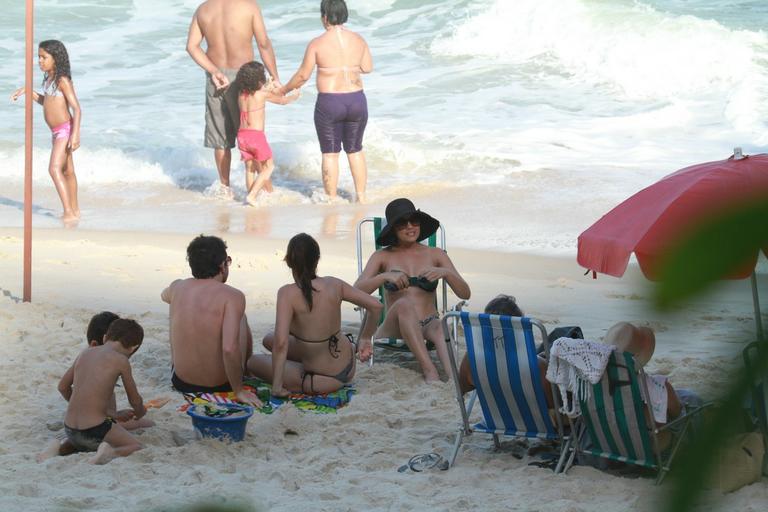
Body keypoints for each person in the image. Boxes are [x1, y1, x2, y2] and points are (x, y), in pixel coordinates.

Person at [247, 233, 382, 395]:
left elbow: (281, 344)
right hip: (348, 364)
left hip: (325, 379)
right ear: (317, 259)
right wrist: (365, 338)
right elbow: (376, 306)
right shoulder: (334, 283)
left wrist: (277, 386)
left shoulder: (287, 293)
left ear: (288, 262)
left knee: (253, 361)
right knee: (268, 339)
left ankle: (300, 366)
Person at [355, 198, 471, 382]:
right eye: (402, 223)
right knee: (403, 304)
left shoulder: (436, 254)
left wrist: (446, 272)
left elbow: (465, 293)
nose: (410, 226)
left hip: (429, 323)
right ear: (393, 228)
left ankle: (454, 378)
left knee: (441, 328)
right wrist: (383, 277)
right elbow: (357, 291)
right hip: (395, 327)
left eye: (414, 221)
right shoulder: (382, 256)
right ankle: (430, 371)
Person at [278, 0, 373, 203]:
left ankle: (331, 199)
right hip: (357, 100)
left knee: (330, 154)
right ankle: (362, 197)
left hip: (330, 103)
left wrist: (284, 90)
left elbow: (303, 76)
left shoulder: (317, 43)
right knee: (355, 149)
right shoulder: (359, 39)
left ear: (325, 17)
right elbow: (367, 67)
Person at [186, 0, 280, 194]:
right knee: (251, 135)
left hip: (216, 79)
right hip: (244, 80)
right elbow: (263, 44)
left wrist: (213, 71)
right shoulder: (249, 6)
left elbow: (192, 47)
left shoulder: (203, 9)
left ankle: (224, 188)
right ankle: (264, 192)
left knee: (220, 140)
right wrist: (275, 77)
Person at [161, 235, 261, 406]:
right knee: (240, 316)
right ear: (222, 265)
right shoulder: (233, 296)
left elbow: (164, 296)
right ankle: (245, 369)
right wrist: (238, 391)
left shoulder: (177, 287)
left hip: (180, 382)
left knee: (180, 311)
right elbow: (229, 348)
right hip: (221, 384)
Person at [51, 319, 147, 464]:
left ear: (104, 337)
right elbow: (134, 400)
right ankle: (111, 452)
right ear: (133, 348)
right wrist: (140, 411)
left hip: (70, 429)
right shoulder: (121, 360)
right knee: (135, 446)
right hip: (95, 430)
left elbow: (63, 387)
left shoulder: (85, 352)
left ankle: (57, 449)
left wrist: (112, 414)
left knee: (83, 442)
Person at [11, 40, 81, 222]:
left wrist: (75, 134)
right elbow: (48, 102)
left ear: (56, 59)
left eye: (44, 57)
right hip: (56, 132)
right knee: (68, 171)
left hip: (65, 130)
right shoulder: (49, 79)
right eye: (38, 57)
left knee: (54, 168)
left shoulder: (62, 80)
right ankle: (75, 210)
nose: (40, 61)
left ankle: (68, 212)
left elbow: (77, 109)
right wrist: (29, 91)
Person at [235, 61, 299, 205]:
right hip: (256, 137)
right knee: (269, 167)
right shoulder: (262, 94)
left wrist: (268, 86)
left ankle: (250, 195)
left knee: (250, 168)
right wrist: (294, 96)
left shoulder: (241, 94)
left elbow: (262, 91)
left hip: (242, 136)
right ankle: (252, 195)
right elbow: (282, 101)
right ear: (259, 80)